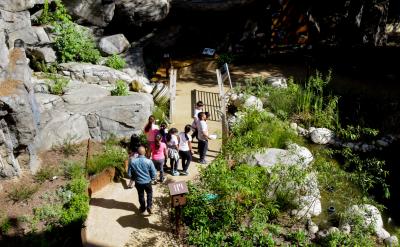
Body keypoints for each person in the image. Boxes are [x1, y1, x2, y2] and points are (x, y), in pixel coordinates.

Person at [128, 146, 157, 214]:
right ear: (145, 152)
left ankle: (143, 208)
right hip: (147, 182)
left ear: (137, 153)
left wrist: (134, 177)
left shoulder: (133, 162)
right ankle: (149, 206)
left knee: (140, 195)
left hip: (138, 182)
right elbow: (154, 174)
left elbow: (129, 174)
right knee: (149, 193)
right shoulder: (149, 161)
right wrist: (152, 178)